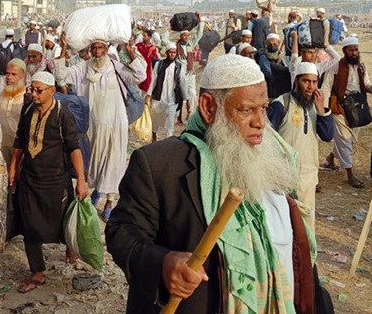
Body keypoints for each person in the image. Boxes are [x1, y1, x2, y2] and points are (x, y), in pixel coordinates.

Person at [106, 54, 319, 314]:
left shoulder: (278, 157)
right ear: (208, 108)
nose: (260, 122)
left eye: (263, 107)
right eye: (245, 110)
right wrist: (162, 264)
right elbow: (121, 232)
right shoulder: (160, 165)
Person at [8, 72, 88, 293]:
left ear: (51, 91)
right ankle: (37, 272)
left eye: (38, 90)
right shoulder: (27, 110)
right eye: (31, 89)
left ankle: (70, 245)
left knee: (62, 219)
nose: (33, 93)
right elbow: (20, 141)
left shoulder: (63, 116)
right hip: (30, 178)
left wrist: (81, 181)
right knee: (28, 224)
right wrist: (13, 166)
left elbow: (74, 149)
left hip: (55, 180)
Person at [61, 36, 147, 221]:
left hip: (116, 125)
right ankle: (97, 190)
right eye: (94, 49)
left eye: (101, 48)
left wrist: (131, 53)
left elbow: (140, 76)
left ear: (106, 49)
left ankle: (109, 200)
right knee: (92, 162)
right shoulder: (83, 68)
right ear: (90, 50)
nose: (98, 52)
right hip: (92, 126)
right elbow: (61, 76)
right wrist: (63, 49)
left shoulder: (116, 67)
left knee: (113, 161)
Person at [268, 62, 334, 214]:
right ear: (296, 81)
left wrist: (321, 109)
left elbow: (327, 136)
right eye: (306, 81)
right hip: (284, 174)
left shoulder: (315, 106)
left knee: (306, 221)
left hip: (308, 174)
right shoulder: (281, 103)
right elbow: (269, 138)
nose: (311, 86)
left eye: (314, 82)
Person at [322, 37, 372, 187]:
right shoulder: (336, 67)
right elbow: (326, 87)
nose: (354, 52)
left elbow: (367, 85)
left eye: (356, 49)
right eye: (351, 50)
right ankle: (350, 174)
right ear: (344, 51)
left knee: (350, 139)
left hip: (357, 107)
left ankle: (331, 158)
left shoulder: (361, 67)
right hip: (338, 106)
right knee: (345, 139)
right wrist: (324, 110)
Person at [146, 45, 188, 141]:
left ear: (176, 53)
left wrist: (186, 98)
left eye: (174, 52)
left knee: (170, 120)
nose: (172, 54)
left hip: (172, 99)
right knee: (155, 118)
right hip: (159, 97)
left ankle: (168, 140)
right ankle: (154, 137)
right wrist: (148, 94)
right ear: (167, 53)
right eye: (170, 52)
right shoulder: (159, 64)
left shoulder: (179, 66)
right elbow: (154, 79)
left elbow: (183, 82)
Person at [0, 59, 27, 165]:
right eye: (7, 73)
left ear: (22, 76)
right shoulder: (2, 94)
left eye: (14, 74)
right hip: (1, 145)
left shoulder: (26, 97)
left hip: (18, 149)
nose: (9, 77)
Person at [175, 29, 199, 124]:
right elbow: (164, 40)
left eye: (188, 36)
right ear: (180, 36)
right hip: (180, 75)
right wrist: (168, 29)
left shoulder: (190, 45)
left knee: (192, 93)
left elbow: (198, 35)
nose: (186, 37)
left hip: (190, 74)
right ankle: (178, 118)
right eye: (184, 35)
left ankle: (189, 112)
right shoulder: (176, 46)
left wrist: (200, 21)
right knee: (179, 97)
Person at [136, 29, 160, 95]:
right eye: (143, 36)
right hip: (138, 69)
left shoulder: (153, 48)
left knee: (146, 88)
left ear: (149, 37)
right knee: (137, 87)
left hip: (148, 70)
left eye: (145, 36)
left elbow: (155, 59)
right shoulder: (138, 46)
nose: (143, 37)